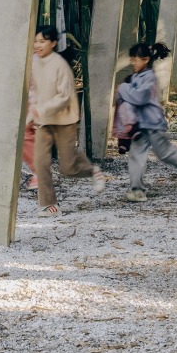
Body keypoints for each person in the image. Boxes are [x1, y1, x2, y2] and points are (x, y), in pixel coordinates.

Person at [23, 25, 106, 215]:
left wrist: (41, 109)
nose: (37, 45)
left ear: (53, 43)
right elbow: (33, 92)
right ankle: (49, 205)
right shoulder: (34, 63)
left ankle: (91, 170)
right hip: (44, 121)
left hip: (64, 121)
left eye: (42, 41)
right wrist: (31, 116)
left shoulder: (60, 65)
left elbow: (65, 97)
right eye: (35, 41)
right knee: (40, 162)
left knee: (68, 168)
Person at [116, 41, 177, 202]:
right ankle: (137, 190)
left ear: (146, 59)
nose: (133, 62)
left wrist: (124, 89)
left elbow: (139, 97)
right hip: (138, 126)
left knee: (165, 154)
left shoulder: (150, 78)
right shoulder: (134, 78)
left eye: (135, 59)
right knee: (136, 155)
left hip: (153, 123)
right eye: (132, 59)